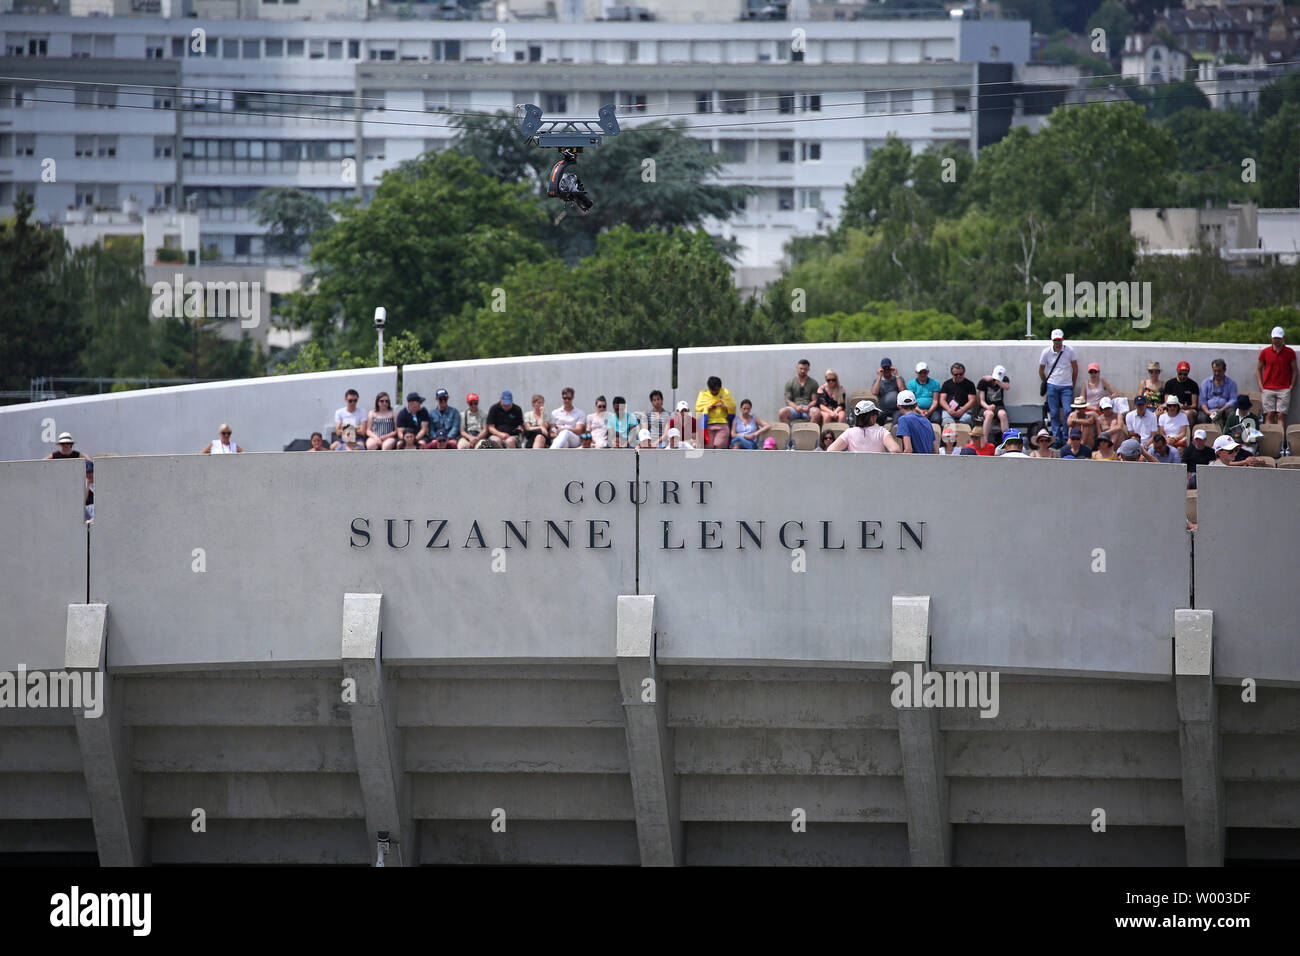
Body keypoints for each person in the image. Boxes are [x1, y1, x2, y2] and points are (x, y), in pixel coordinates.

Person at [1257, 325, 1297, 448]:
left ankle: (1280, 442)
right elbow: (1259, 369)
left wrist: (1291, 386)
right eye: (1275, 338)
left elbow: (1295, 370)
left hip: (1284, 388)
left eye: (1279, 338)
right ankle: (1269, 442)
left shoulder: (1290, 352)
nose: (1276, 340)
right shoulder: (1265, 352)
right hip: (1268, 387)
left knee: (1281, 415)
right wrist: (1261, 385)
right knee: (1269, 414)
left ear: (1283, 338)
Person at [1039, 329, 1078, 446]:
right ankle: (1056, 438)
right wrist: (1047, 382)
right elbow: (1041, 370)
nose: (1057, 342)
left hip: (1066, 386)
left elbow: (1075, 369)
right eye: (1055, 340)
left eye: (1059, 340)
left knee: (1067, 412)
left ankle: (1066, 437)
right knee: (1054, 413)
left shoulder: (1069, 351)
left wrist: (1073, 384)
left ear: (1062, 339)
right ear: (1052, 341)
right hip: (1052, 385)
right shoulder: (1046, 352)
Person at [828, 399, 900, 453]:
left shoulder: (849, 432)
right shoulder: (881, 431)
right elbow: (895, 450)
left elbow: (831, 450)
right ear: (872, 417)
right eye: (875, 414)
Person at [695, 376, 736, 450]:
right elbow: (698, 409)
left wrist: (725, 407)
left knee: (719, 446)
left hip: (722, 424)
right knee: (708, 447)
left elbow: (732, 407)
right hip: (708, 426)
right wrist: (707, 408)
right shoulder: (703, 394)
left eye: (717, 390)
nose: (715, 392)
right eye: (713, 390)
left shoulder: (725, 393)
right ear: (709, 388)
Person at [1198, 358, 1238, 425]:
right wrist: (1208, 412)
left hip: (1225, 409)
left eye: (1219, 371)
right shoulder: (1205, 383)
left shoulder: (1231, 383)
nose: (1217, 373)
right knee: (1201, 418)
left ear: (1224, 370)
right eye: (1215, 371)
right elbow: (1202, 401)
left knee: (1232, 415)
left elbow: (1233, 400)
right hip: (1208, 410)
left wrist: (1222, 410)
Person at [938, 362, 978, 426]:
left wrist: (962, 410)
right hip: (949, 409)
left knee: (965, 420)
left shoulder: (970, 384)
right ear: (952, 374)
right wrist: (949, 409)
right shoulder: (946, 384)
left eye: (961, 374)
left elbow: (972, 400)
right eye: (956, 374)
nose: (958, 376)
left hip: (965, 409)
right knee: (947, 421)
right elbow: (942, 400)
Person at [976, 365, 1010, 439]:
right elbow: (981, 400)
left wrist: (994, 379)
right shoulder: (983, 382)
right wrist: (987, 407)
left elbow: (1007, 387)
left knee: (1003, 414)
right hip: (985, 406)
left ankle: (1006, 439)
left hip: (999, 406)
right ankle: (985, 439)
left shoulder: (1004, 379)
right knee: (989, 414)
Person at [780, 359, 817, 424]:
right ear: (797, 368)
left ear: (808, 369)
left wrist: (808, 406)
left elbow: (814, 400)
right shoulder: (790, 382)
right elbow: (788, 400)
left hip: (808, 408)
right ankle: (789, 432)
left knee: (816, 412)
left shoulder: (813, 383)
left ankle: (811, 432)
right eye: (801, 368)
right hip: (794, 408)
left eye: (805, 369)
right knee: (782, 412)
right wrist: (796, 407)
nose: (803, 371)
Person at [871, 357, 905, 423]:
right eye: (884, 369)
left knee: (899, 416)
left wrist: (897, 375)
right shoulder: (878, 381)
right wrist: (879, 376)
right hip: (883, 409)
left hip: (896, 409)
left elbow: (902, 390)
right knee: (876, 416)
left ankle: (893, 431)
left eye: (888, 369)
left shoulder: (898, 379)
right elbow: (874, 392)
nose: (886, 371)